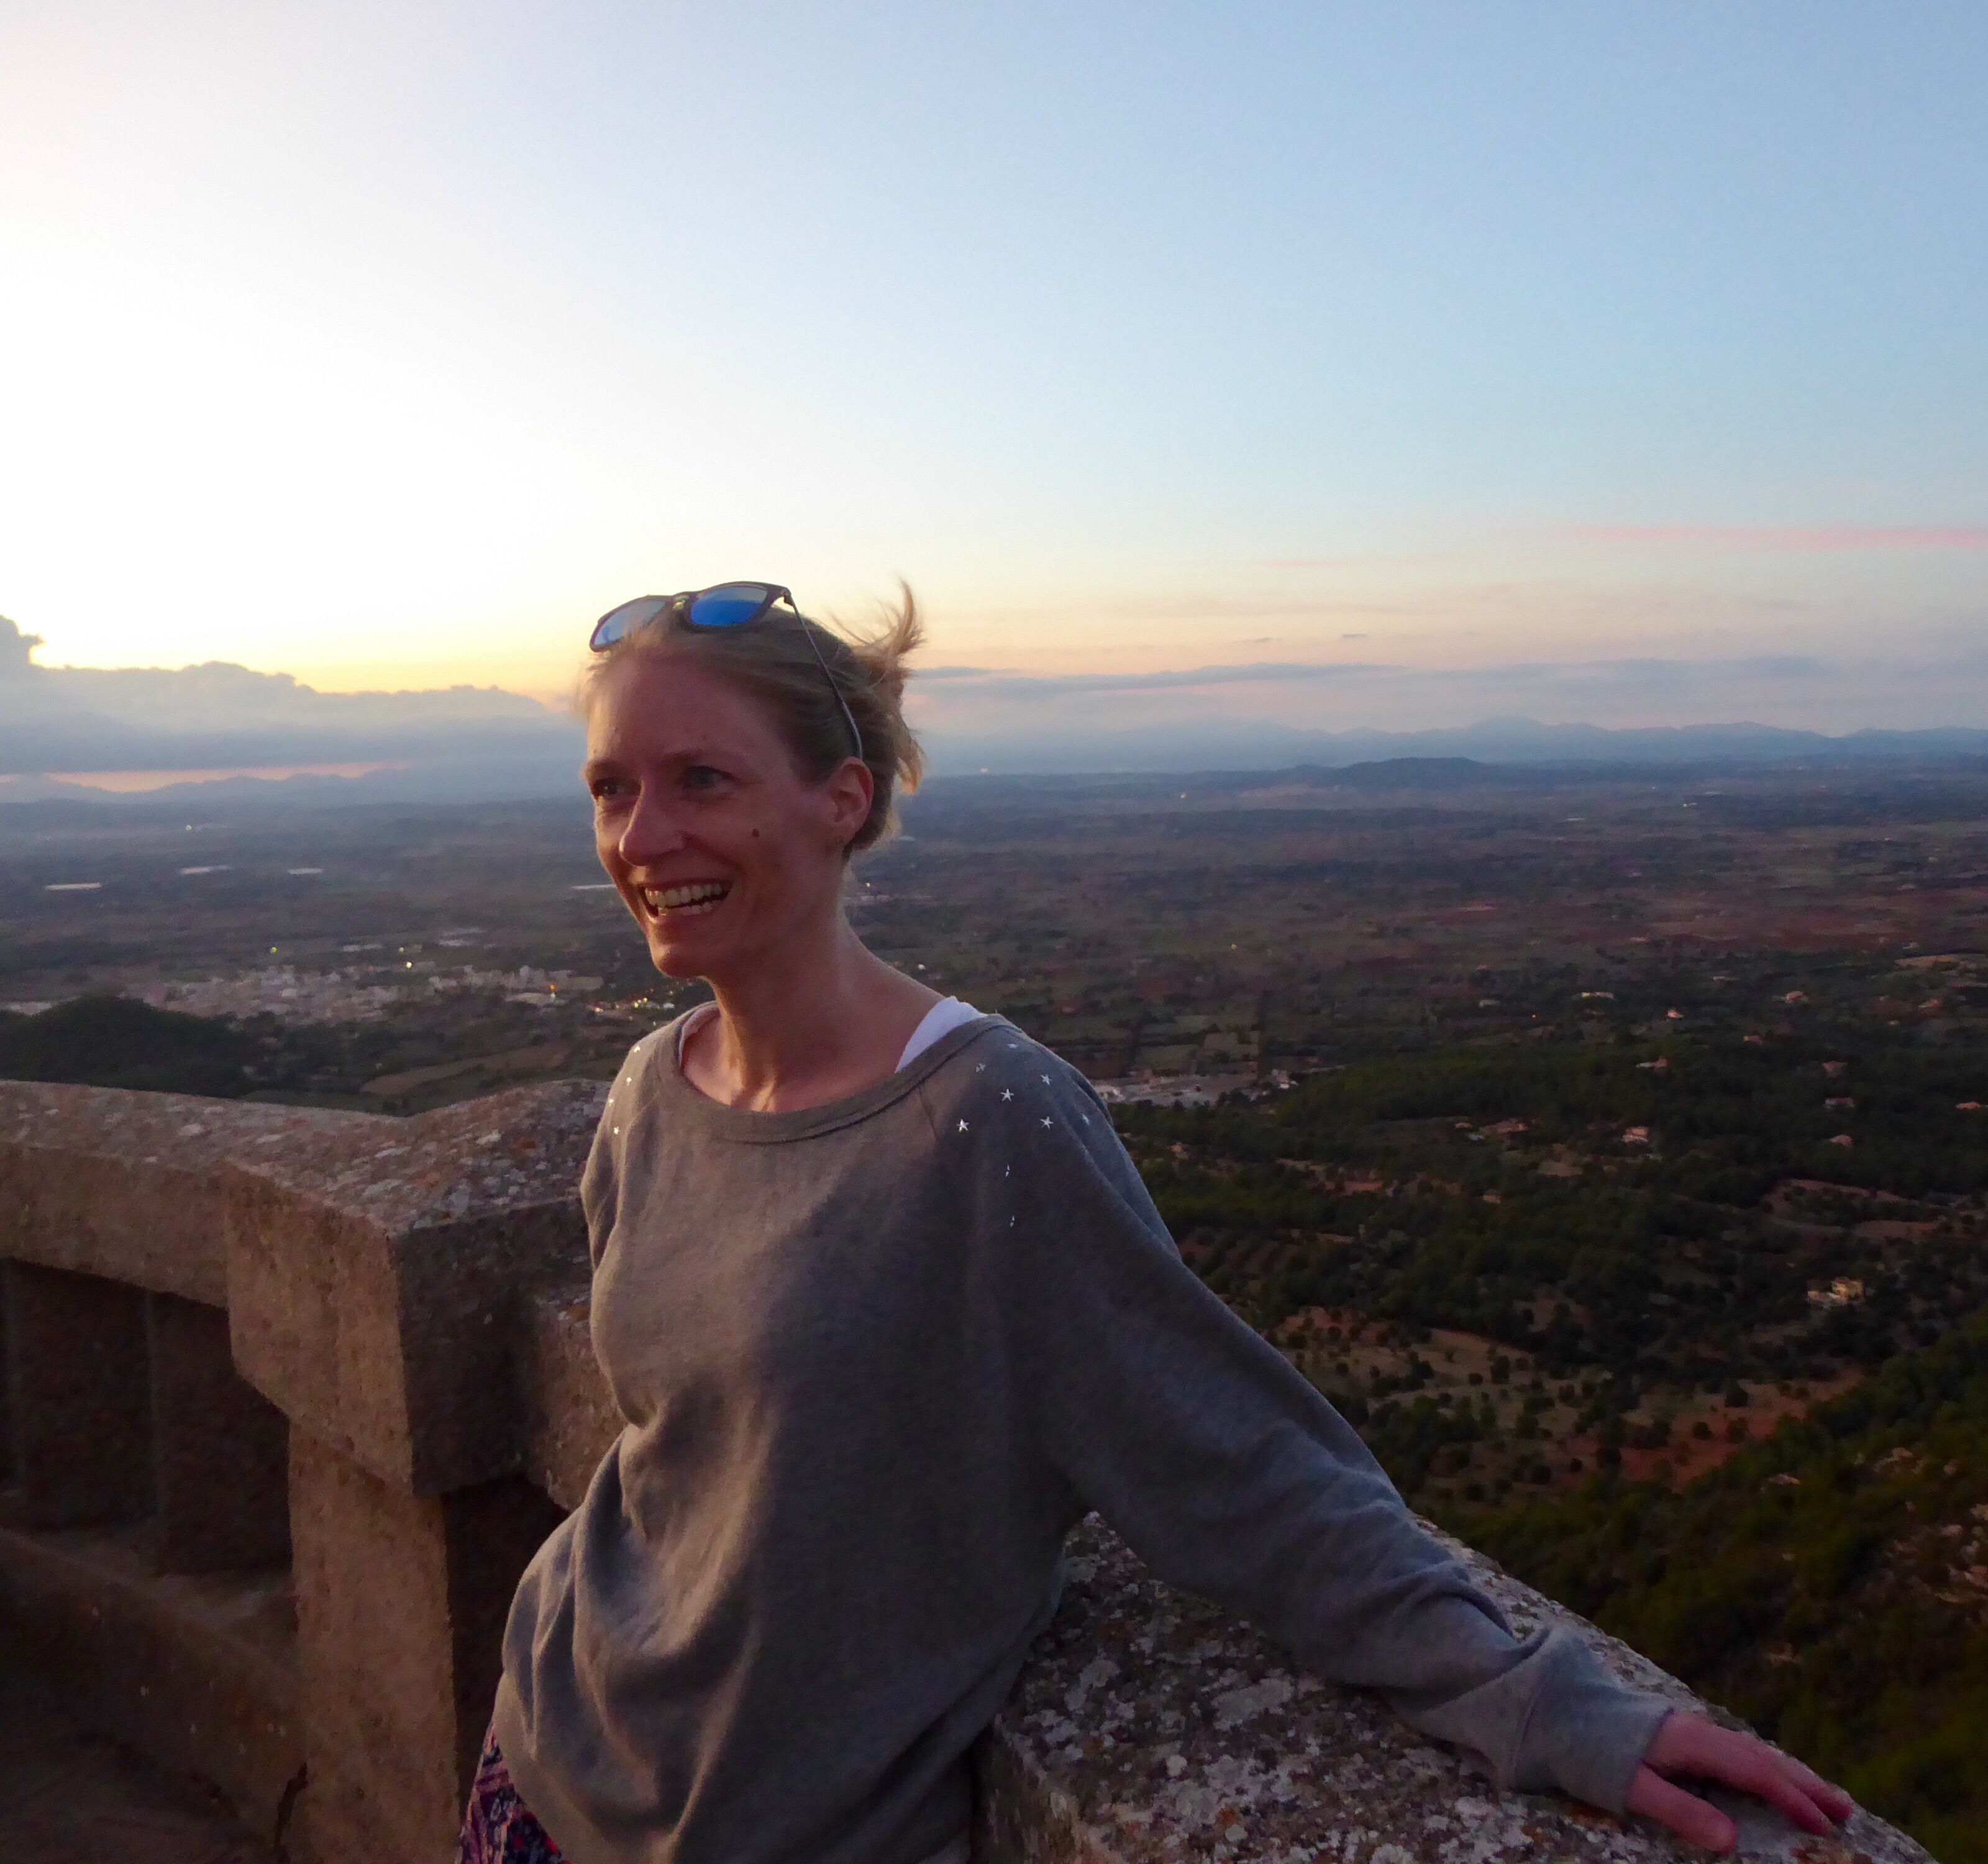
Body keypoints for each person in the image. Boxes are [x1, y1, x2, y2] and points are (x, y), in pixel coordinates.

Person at [465, 582, 1856, 1864]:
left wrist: (1540, 1701)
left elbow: (1235, 1457)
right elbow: (679, 1443)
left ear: (843, 799)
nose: (642, 839)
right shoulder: (652, 1092)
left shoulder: (982, 1120)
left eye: (701, 781)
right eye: (611, 790)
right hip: (542, 1756)